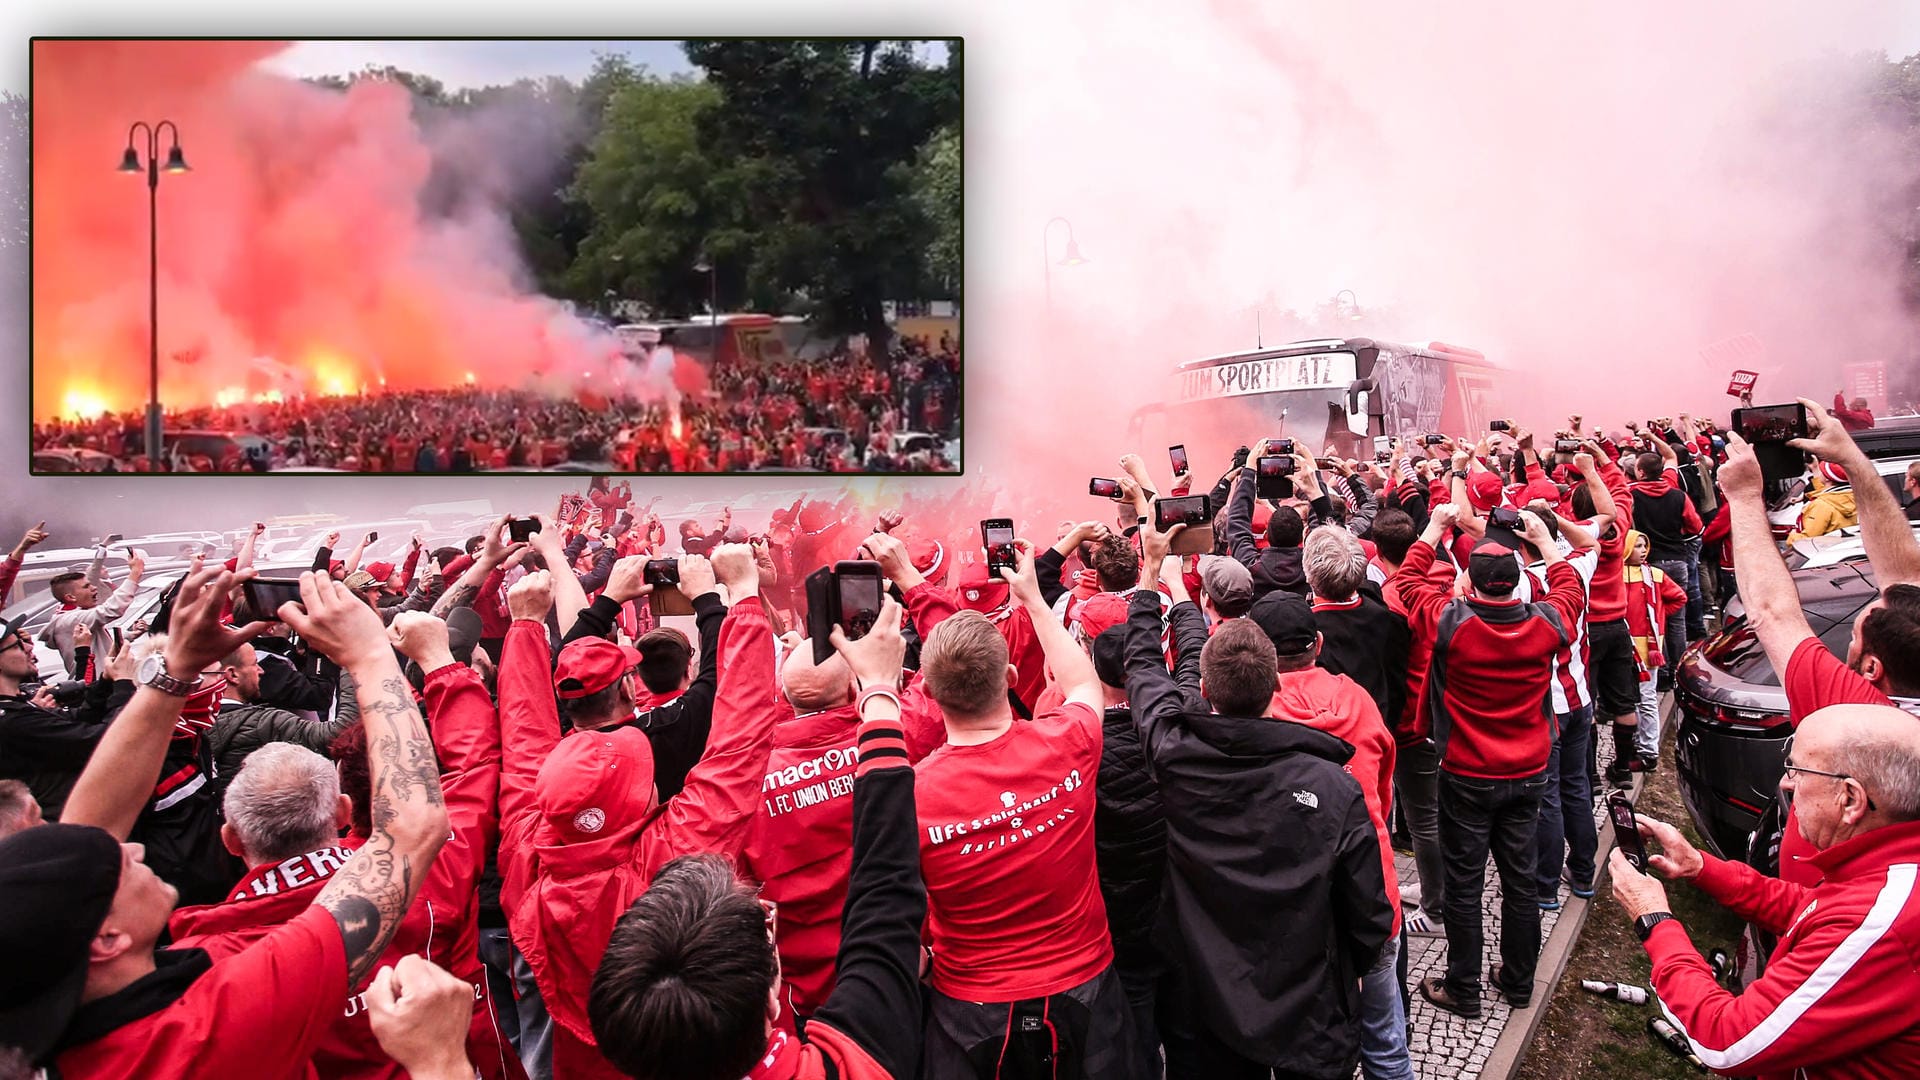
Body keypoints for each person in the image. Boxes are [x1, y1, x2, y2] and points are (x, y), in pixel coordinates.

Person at [0, 564, 451, 1077]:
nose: (132, 846)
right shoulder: (216, 1025)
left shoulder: (48, 998)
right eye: (117, 866)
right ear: (105, 940)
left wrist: (179, 667)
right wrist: (370, 656)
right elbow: (411, 830)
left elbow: (88, 833)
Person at [166, 611, 519, 1080]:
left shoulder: (202, 967)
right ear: (341, 812)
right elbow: (473, 766)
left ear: (230, 840)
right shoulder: (425, 872)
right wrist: (436, 662)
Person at [586, 597, 929, 1079]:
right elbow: (952, 676)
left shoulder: (745, 787)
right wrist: (883, 682)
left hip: (788, 989)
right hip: (892, 966)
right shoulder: (898, 733)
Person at [1125, 510, 1393, 1079]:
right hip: (1309, 1005)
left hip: (1206, 1004)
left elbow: (1145, 670)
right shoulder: (1332, 784)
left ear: (1200, 689)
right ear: (1276, 684)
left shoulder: (1174, 758)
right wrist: (1351, 969)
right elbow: (1368, 912)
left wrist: (1152, 577)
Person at [496, 548, 780, 1080]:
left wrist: (525, 630)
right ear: (643, 793)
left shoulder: (527, 852)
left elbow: (524, 741)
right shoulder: (672, 856)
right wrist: (741, 603)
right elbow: (739, 741)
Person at [911, 543, 1138, 1078]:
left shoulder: (909, 794)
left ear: (931, 694)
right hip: (1087, 987)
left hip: (969, 1009)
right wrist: (1035, 602)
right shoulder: (1069, 741)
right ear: (1011, 679)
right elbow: (1083, 684)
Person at [1609, 703, 1920, 1078]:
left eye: (1798, 770)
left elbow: (1725, 1039)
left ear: (1850, 799)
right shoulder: (1890, 869)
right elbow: (1810, 910)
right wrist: (1701, 867)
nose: (1786, 783)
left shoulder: (1881, 920)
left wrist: (1654, 919)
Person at [1391, 506, 1586, 1019]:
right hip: (1528, 774)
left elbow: (1408, 578)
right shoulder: (1547, 623)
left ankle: (1464, 988)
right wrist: (1545, 540)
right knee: (1520, 883)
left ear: (1469, 585)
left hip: (1465, 774)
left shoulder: (1450, 621)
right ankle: (1519, 982)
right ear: (1520, 581)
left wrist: (1434, 530)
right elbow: (1571, 588)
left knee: (1464, 884)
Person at [1717, 401, 1920, 887]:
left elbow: (1772, 611)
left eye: (1853, 635)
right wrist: (1851, 458)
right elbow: (1905, 575)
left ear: (1871, 668)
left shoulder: (1854, 710)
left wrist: (1744, 499)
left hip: (1831, 917)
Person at [204, 644, 360, 802]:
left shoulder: (188, 722)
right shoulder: (262, 724)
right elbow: (339, 734)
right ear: (233, 675)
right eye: (254, 664)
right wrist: (352, 664)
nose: (261, 670)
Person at [0, 614, 112, 820]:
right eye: (17, 646)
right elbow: (103, 741)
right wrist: (123, 686)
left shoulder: (22, 702)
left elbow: (79, 717)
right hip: (71, 823)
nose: (28, 648)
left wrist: (107, 681)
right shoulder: (14, 721)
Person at [1622, 531, 1687, 769]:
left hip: (1648, 651)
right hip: (1623, 647)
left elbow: (1679, 598)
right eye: (1637, 546)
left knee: (1646, 699)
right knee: (1628, 700)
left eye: (1644, 546)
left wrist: (1658, 618)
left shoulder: (1656, 575)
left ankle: (1649, 750)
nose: (1642, 550)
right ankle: (1634, 743)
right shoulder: (1614, 575)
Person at [42, 548, 144, 676]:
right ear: (70, 597)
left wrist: (129, 635)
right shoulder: (69, 620)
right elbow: (111, 609)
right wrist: (135, 574)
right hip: (97, 687)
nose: (94, 588)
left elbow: (98, 644)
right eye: (86, 586)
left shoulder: (76, 614)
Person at [1786, 462, 1859, 544]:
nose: (1819, 473)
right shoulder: (1853, 498)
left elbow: (1807, 541)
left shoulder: (1821, 505)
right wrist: (1815, 468)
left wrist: (1792, 535)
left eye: (1821, 471)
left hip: (1821, 552)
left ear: (1827, 479)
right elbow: (1827, 492)